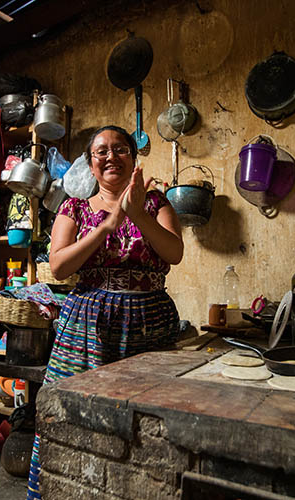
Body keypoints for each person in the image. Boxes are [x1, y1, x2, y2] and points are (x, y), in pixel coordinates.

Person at [27, 125, 184, 499]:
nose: (111, 156)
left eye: (120, 149)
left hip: (149, 323)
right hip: (87, 323)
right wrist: (108, 225)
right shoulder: (75, 206)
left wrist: (137, 215)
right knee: (74, 409)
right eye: (101, 152)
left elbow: (174, 254)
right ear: (91, 165)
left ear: (133, 158)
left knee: (146, 417)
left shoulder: (156, 202)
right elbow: (60, 266)